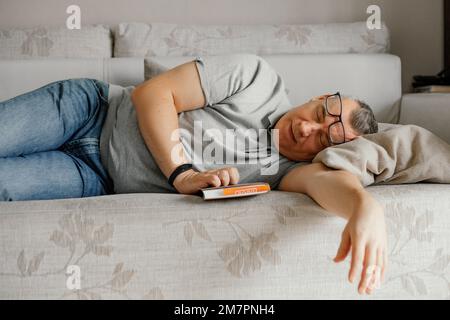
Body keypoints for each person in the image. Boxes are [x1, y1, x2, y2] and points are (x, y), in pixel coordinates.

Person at [0, 54, 387, 295]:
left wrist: (364, 207)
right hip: (92, 110)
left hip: (95, 176)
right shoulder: (256, 78)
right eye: (319, 117)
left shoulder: (288, 170)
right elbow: (152, 94)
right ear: (318, 98)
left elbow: (329, 182)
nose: (306, 131)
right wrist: (182, 173)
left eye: (323, 140)